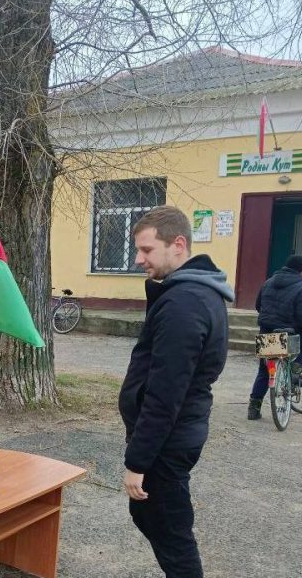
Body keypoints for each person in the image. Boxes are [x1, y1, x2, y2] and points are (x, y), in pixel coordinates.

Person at [119, 205, 233, 578]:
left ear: (178, 244)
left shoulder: (184, 304)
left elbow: (165, 395)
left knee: (171, 530)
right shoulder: (189, 294)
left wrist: (137, 462)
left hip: (168, 441)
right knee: (154, 517)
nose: (138, 259)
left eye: (147, 250)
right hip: (177, 434)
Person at [247, 254, 302, 420]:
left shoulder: (268, 282)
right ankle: (294, 373)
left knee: (264, 371)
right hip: (289, 334)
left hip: (267, 333)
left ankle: (253, 408)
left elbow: (259, 306)